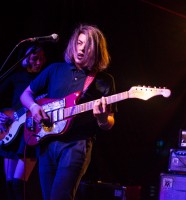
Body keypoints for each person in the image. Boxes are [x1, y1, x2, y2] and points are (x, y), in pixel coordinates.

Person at [20, 24, 116, 200]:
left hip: (76, 144)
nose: (81, 49)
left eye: (88, 47)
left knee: (60, 197)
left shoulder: (104, 80)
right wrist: (34, 107)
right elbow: (26, 95)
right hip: (48, 141)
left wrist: (102, 119)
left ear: (97, 51)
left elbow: (109, 123)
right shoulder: (55, 69)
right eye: (79, 43)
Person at [0, 44, 47, 200]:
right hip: (11, 130)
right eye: (35, 58)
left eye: (41, 59)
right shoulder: (16, 76)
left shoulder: (44, 79)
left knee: (18, 185)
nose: (39, 62)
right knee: (8, 186)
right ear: (26, 58)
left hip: (29, 133)